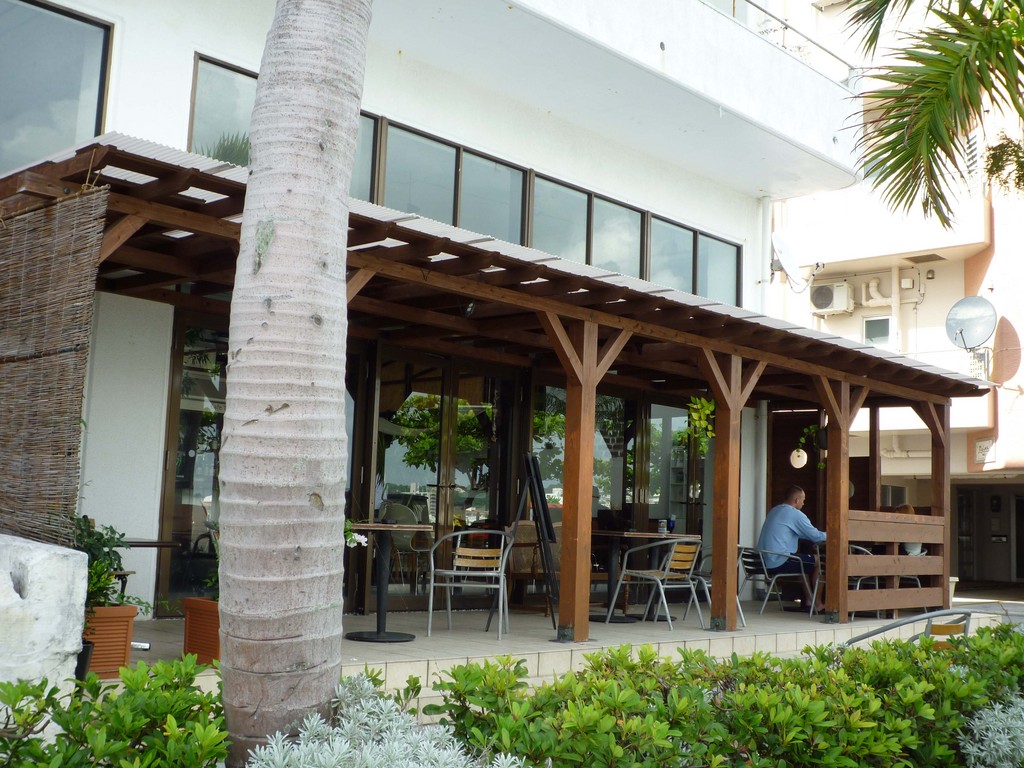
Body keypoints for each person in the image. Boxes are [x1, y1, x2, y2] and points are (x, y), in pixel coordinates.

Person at [756, 485, 827, 612]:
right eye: (803, 500)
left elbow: (792, 532)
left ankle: (809, 600)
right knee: (821, 562)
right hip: (778, 561)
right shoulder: (795, 514)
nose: (804, 503)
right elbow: (816, 536)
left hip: (762, 561)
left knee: (802, 563)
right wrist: (835, 535)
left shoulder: (774, 511)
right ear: (796, 500)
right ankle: (818, 603)